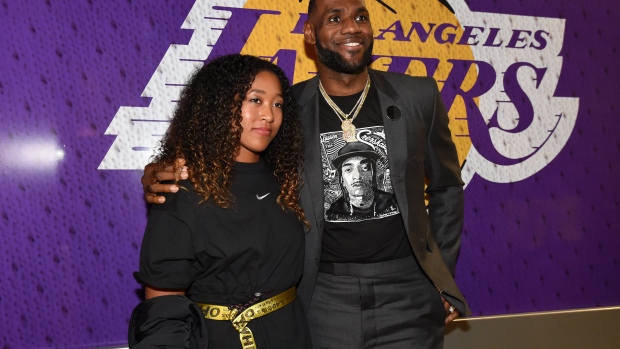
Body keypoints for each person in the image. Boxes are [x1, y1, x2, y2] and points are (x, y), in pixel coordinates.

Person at [143, 0, 469, 348]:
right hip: (322, 296)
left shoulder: (417, 96)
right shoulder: (288, 107)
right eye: (334, 18)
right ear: (310, 34)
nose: (351, 27)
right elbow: (230, 158)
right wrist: (158, 170)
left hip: (409, 291)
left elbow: (447, 186)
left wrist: (440, 274)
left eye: (361, 16)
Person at [129, 54, 312, 349]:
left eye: (277, 104)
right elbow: (163, 304)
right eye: (255, 100)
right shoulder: (180, 187)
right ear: (219, 103)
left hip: (290, 334)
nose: (269, 114)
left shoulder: (287, 179)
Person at [325, 141, 398, 221]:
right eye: (348, 170)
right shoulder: (334, 211)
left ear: (373, 174)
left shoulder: (391, 202)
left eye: (365, 168)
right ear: (342, 179)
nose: (357, 176)